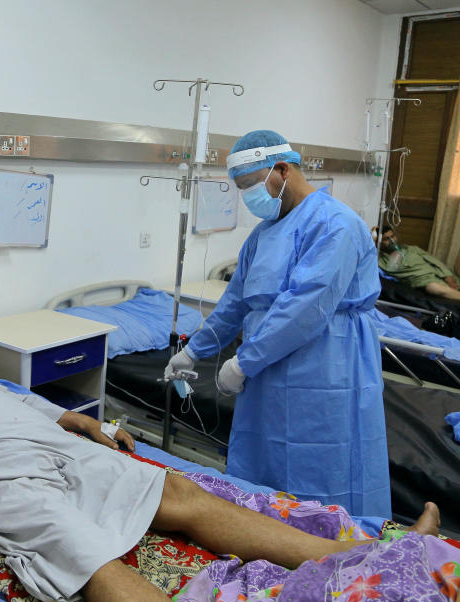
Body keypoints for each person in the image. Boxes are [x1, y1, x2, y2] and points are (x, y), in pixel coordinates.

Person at [0, 310, 439, 602]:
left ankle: (354, 555)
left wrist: (65, 419)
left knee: (176, 489)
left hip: (48, 441)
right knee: (89, 561)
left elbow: (3, 399)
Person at [165, 130, 391, 518]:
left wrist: (243, 362)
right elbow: (236, 303)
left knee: (323, 473)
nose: (248, 197)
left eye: (251, 184)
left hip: (326, 367)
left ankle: (339, 552)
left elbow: (307, 307)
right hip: (268, 372)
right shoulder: (262, 235)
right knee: (264, 467)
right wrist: (193, 352)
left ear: (282, 169)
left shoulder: (335, 224)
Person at [376, 226, 460, 302]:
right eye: (386, 239)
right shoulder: (382, 261)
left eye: (393, 236)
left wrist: (448, 276)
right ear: (379, 242)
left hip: (447, 277)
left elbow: (435, 261)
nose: (392, 240)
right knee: (433, 287)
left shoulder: (411, 249)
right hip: (431, 283)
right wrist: (374, 238)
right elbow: (368, 251)